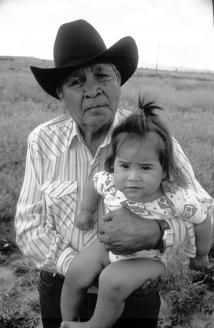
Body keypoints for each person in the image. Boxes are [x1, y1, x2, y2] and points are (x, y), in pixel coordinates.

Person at [14, 19, 214, 328]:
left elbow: (204, 211)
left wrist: (159, 232)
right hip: (61, 285)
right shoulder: (42, 141)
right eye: (77, 81)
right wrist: (79, 267)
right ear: (60, 93)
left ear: (118, 78)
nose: (92, 90)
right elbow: (28, 225)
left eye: (102, 75)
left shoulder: (153, 142)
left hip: (133, 292)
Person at [60, 101, 212, 328]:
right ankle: (66, 320)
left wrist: (201, 254)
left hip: (149, 258)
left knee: (111, 281)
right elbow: (94, 183)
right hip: (109, 248)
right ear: (114, 165)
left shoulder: (175, 198)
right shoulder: (111, 182)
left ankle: (94, 325)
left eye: (145, 167)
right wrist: (86, 210)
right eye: (125, 166)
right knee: (76, 269)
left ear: (164, 171)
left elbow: (203, 219)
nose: (133, 176)